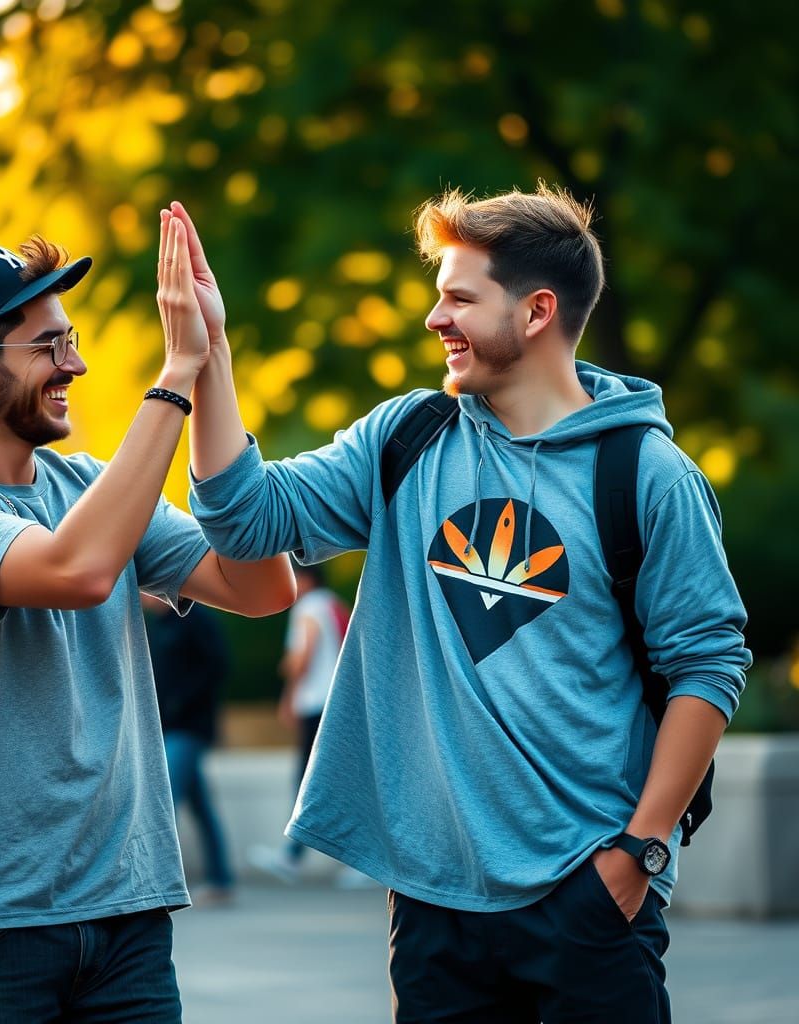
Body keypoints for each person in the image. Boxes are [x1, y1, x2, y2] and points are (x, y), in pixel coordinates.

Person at [167, 188, 751, 1022]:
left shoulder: (648, 476)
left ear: (538, 310)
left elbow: (708, 663)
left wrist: (637, 853)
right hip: (435, 904)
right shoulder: (407, 439)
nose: (435, 317)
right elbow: (246, 520)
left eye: (459, 297)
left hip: (588, 893)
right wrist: (209, 352)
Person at [0, 224, 295, 1023]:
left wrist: (215, 357)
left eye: (72, 339)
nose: (77, 365)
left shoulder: (90, 485)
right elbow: (78, 572)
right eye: (49, 346)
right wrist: (175, 376)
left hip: (129, 911)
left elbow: (260, 583)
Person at [247, 563, 355, 884]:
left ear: (304, 579)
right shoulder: (334, 603)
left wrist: (289, 687)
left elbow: (303, 653)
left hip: (314, 704)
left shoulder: (308, 606)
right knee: (335, 781)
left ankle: (293, 857)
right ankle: (299, 856)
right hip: (336, 703)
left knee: (309, 782)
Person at [142, 593, 235, 903]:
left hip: (190, 727)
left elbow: (218, 664)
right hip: (168, 727)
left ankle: (154, 884)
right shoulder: (159, 624)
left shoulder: (196, 618)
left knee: (165, 801)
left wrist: (180, 703)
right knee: (200, 806)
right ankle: (221, 879)